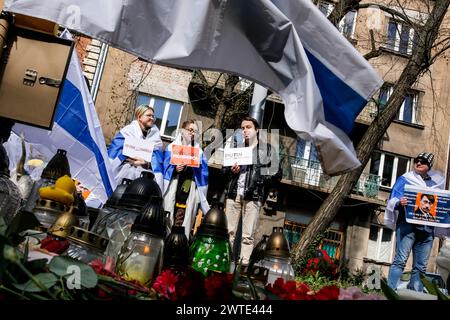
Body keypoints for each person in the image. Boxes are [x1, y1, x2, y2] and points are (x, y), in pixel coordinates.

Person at [222, 116, 282, 265]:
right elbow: (223, 171)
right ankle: (226, 264)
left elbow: (277, 173)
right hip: (233, 194)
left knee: (248, 235)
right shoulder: (236, 148)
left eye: (248, 127)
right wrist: (232, 171)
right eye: (242, 128)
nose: (244, 131)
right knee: (228, 232)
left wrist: (260, 181)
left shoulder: (267, 149)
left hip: (253, 196)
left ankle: (242, 267)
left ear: (257, 130)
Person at [386, 152, 445, 292]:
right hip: (407, 227)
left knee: (421, 267)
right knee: (400, 260)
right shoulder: (405, 179)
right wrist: (400, 202)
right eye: (416, 161)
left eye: (423, 162)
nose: (418, 163)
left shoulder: (436, 185)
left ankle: (414, 294)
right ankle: (390, 292)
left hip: (427, 231)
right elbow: (393, 198)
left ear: (429, 166)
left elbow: (440, 205)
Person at [162, 120, 210, 239]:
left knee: (183, 221)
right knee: (167, 218)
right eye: (190, 130)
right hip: (173, 186)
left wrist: (195, 167)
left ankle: (179, 244)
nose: (192, 133)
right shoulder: (171, 147)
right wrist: (175, 168)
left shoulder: (199, 152)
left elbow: (204, 173)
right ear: (182, 131)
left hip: (188, 190)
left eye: (195, 131)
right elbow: (164, 166)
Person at [108, 104, 164, 191]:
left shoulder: (156, 139)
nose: (152, 118)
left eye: (153, 116)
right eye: (148, 115)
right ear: (139, 117)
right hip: (123, 175)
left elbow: (158, 162)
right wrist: (129, 158)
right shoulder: (127, 132)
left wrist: (146, 163)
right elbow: (114, 153)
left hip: (144, 179)